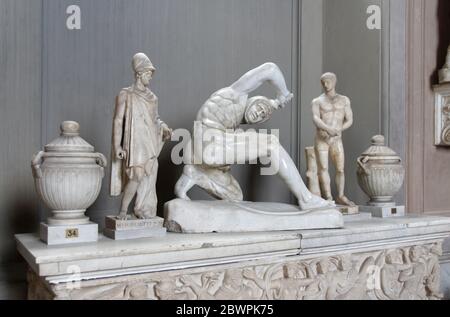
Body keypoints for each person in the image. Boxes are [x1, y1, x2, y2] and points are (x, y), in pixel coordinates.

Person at [175, 62, 331, 210]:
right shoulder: (235, 96)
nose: (259, 113)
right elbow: (270, 69)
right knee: (270, 143)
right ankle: (306, 199)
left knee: (235, 195)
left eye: (263, 115)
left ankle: (195, 174)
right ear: (251, 101)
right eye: (260, 107)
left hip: (201, 155)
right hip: (209, 144)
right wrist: (282, 94)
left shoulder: (231, 126)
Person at [110, 53, 172, 220]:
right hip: (135, 142)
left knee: (149, 176)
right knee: (136, 176)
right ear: (139, 74)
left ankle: (143, 210)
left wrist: (164, 127)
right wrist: (117, 146)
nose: (150, 79)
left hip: (150, 141)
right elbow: (118, 120)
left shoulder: (152, 98)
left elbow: (155, 119)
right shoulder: (126, 94)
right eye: (148, 75)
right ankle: (123, 210)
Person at [312, 72, 354, 206]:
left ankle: (341, 195)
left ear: (334, 82)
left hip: (336, 139)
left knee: (340, 169)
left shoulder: (344, 100)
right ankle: (328, 197)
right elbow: (316, 118)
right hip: (322, 139)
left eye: (328, 81)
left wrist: (339, 129)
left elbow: (349, 119)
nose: (326, 84)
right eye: (323, 82)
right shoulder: (317, 101)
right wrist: (328, 129)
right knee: (323, 168)